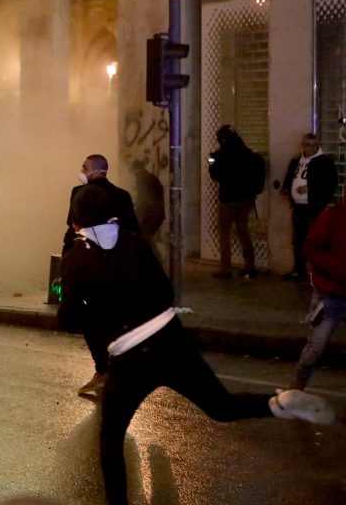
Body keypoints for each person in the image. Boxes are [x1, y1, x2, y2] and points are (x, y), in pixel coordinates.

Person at [58, 185, 333, 505]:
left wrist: (99, 312)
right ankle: (280, 403)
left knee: (111, 437)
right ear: (111, 215)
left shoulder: (76, 259)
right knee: (221, 407)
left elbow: (69, 319)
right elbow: (164, 293)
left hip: (129, 358)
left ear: (76, 223)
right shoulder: (135, 242)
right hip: (172, 342)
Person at [63, 153, 141, 395]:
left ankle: (104, 370)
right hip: (118, 269)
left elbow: (72, 230)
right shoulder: (123, 196)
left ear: (95, 171)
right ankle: (113, 370)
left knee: (91, 321)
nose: (81, 170)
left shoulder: (79, 193)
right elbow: (134, 231)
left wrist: (68, 264)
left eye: (84, 167)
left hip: (90, 269)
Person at [288, 190, 346, 390]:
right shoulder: (332, 216)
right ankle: (297, 386)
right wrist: (338, 271)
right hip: (330, 293)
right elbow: (310, 248)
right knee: (315, 347)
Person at [280, 132, 338, 280]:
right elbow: (290, 177)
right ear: (302, 145)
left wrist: (310, 188)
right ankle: (299, 269)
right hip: (298, 207)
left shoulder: (324, 162)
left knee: (315, 239)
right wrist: (287, 188)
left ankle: (318, 271)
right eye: (307, 145)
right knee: (298, 239)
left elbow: (330, 184)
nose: (311, 148)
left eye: (313, 145)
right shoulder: (296, 160)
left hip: (313, 207)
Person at [207, 124, 260, 278]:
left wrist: (211, 162)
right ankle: (250, 266)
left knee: (224, 234)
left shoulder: (219, 155)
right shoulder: (248, 154)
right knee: (243, 232)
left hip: (228, 199)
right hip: (246, 200)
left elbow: (214, 176)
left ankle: (226, 268)